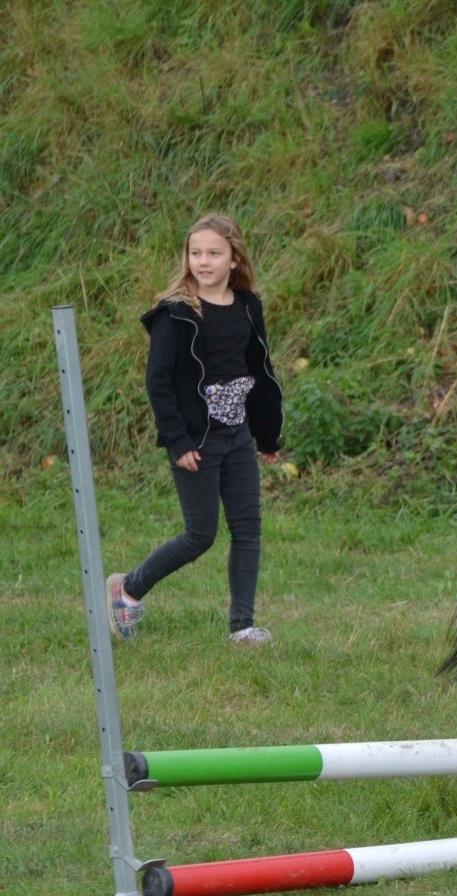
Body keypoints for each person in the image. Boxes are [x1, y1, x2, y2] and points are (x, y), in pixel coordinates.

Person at [107, 213, 284, 646]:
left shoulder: (247, 307)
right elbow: (159, 382)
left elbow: (259, 372)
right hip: (195, 440)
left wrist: (266, 436)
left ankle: (242, 626)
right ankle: (127, 589)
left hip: (237, 434)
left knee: (247, 529)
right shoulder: (176, 314)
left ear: (235, 258)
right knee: (199, 535)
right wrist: (178, 440)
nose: (203, 261)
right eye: (196, 252)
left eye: (214, 253)